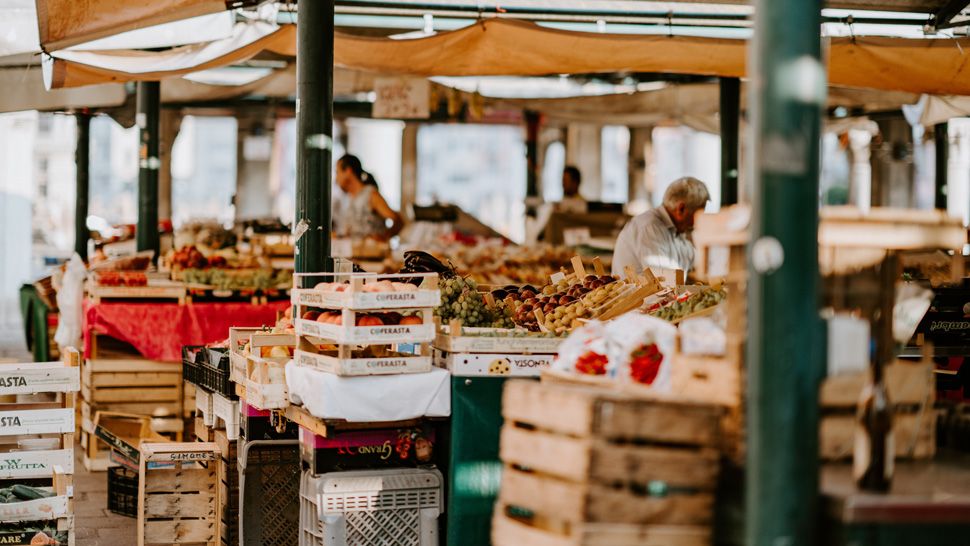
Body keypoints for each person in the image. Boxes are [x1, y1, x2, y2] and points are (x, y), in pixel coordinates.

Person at [612, 176, 711, 277]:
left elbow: (696, 260)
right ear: (681, 209)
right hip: (641, 293)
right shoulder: (650, 227)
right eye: (697, 215)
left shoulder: (676, 231)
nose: (697, 222)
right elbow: (666, 281)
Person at [333, 154, 404, 241]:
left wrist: (384, 237)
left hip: (373, 253)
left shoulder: (371, 195)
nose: (336, 179)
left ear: (348, 171)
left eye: (337, 172)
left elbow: (398, 220)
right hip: (355, 253)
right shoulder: (349, 198)